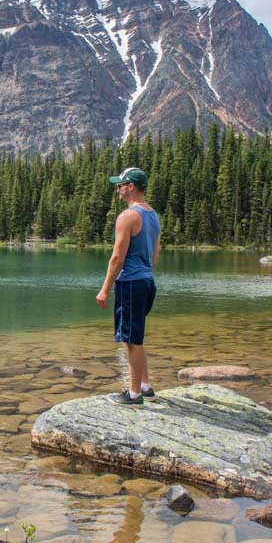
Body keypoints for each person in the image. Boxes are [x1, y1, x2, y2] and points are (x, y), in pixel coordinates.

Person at [96, 166, 160, 405]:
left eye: (120, 185)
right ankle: (145, 385)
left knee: (132, 339)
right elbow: (155, 254)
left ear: (130, 186)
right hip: (146, 281)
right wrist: (144, 272)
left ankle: (134, 394)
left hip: (131, 283)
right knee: (136, 336)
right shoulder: (152, 215)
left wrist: (104, 289)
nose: (118, 189)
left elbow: (117, 257)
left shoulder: (128, 217)